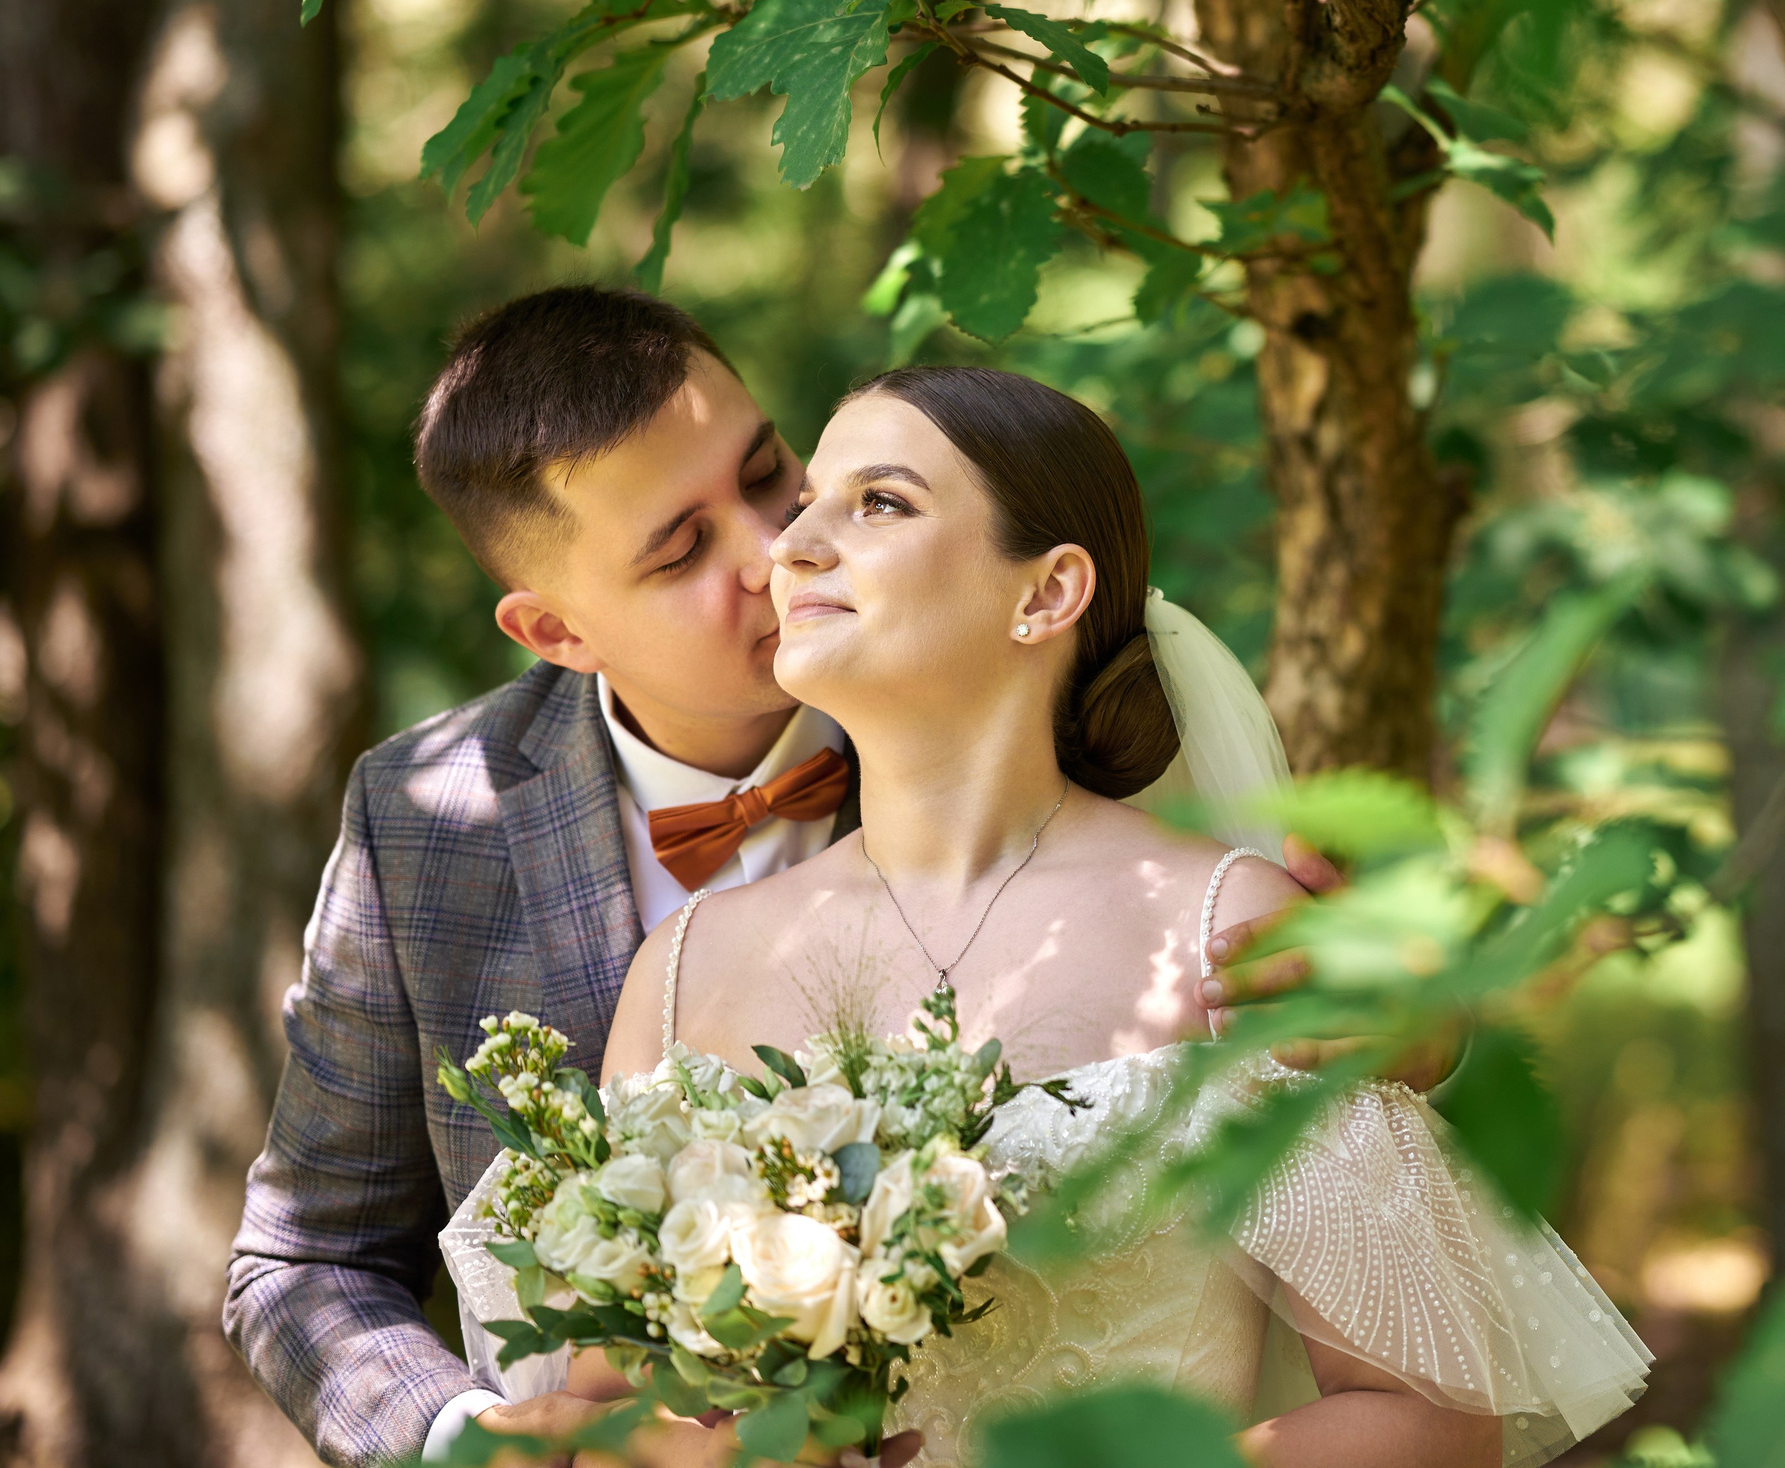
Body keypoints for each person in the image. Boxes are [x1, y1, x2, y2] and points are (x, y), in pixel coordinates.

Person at [220, 289, 1344, 1467]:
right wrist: (477, 1444)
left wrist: (1408, 1034)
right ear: (557, 631)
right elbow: (306, 1257)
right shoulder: (427, 820)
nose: (772, 551)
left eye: (766, 473)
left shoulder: (988, 682)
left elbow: (1279, 1029)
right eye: (682, 548)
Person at [447, 367, 1649, 1466]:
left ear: (1047, 592)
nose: (788, 548)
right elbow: (608, 1389)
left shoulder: (1228, 930)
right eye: (809, 500)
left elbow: (1432, 1414)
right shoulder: (686, 968)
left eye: (877, 503)